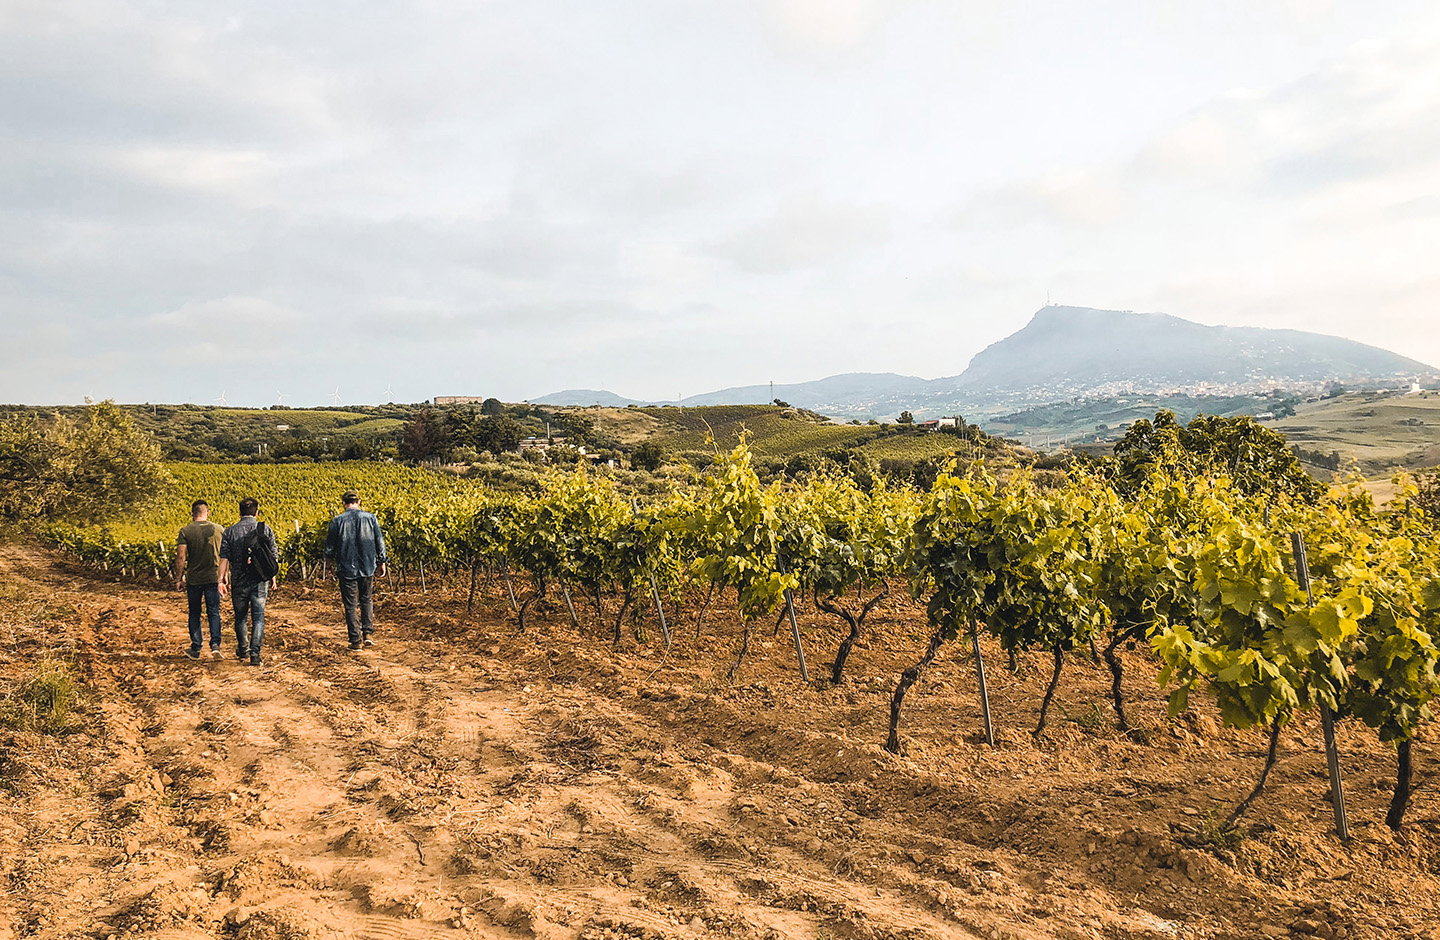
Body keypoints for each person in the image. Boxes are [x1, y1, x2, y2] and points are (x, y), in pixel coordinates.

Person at [325, 490, 388, 651]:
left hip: (346, 567)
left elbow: (330, 547)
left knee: (350, 605)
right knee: (367, 599)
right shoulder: (371, 518)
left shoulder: (337, 521)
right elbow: (379, 541)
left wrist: (329, 565)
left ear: (344, 503)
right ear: (359, 502)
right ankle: (368, 634)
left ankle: (355, 640)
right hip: (367, 565)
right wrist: (382, 561)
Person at [219, 497, 278, 666]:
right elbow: (272, 557)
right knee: (258, 618)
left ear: (240, 512)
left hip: (238, 580)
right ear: (257, 512)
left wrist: (221, 579)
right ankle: (255, 655)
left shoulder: (230, 532)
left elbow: (224, 558)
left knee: (241, 617)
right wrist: (272, 577)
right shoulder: (265, 529)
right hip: (259, 580)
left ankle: (243, 650)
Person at [175, 499, 225, 660]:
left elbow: (181, 556)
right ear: (207, 512)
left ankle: (196, 648)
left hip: (194, 579)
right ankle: (216, 645)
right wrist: (224, 578)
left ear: (192, 514)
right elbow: (225, 556)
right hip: (213, 577)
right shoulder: (219, 529)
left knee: (194, 613)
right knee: (214, 612)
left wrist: (178, 578)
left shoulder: (186, 531)